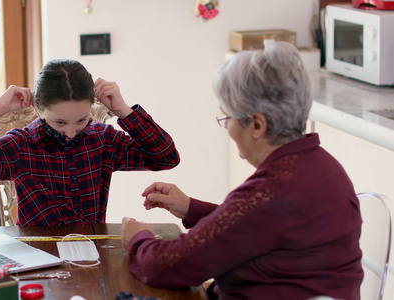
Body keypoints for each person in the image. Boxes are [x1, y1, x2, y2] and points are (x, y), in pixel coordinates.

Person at [121, 42, 363, 300]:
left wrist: (139, 239)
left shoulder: (273, 190)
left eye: (228, 119)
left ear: (257, 125)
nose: (228, 130)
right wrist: (192, 208)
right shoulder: (322, 165)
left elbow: (167, 265)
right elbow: (258, 230)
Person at [0, 59, 180, 226]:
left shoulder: (104, 141)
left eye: (81, 120)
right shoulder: (20, 146)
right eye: (59, 122)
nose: (70, 132)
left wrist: (123, 110)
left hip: (91, 254)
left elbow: (166, 158)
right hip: (38, 256)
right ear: (37, 109)